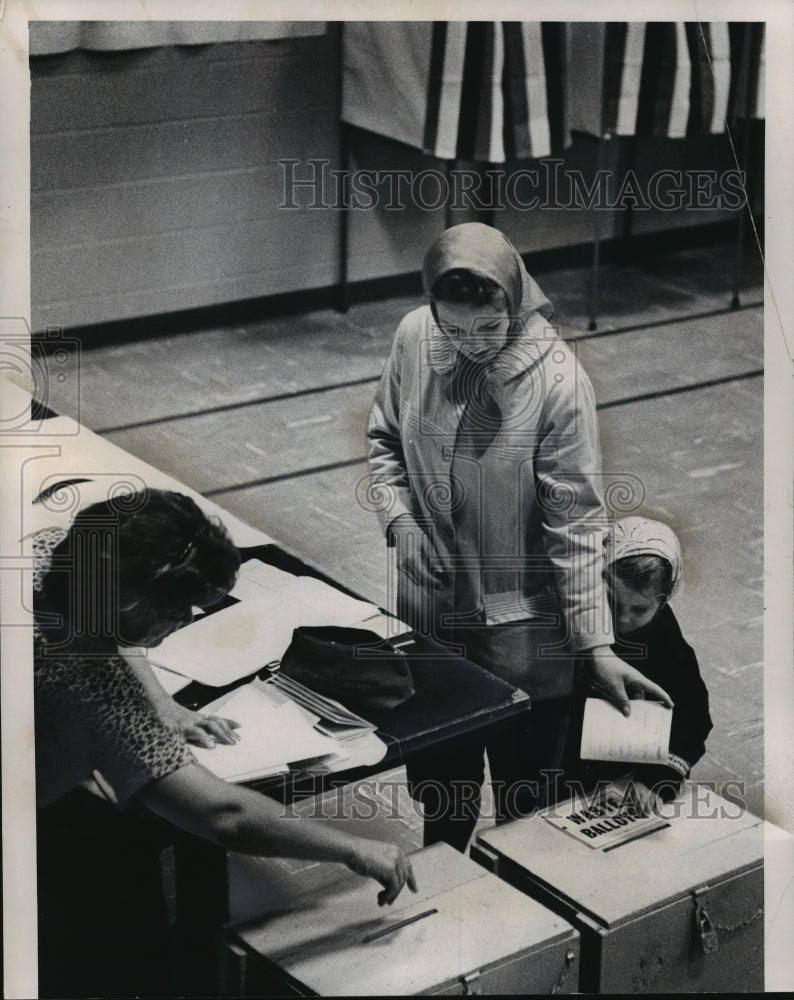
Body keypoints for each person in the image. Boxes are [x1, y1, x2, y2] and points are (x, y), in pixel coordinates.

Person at [33, 489, 416, 998]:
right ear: (130, 598)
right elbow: (224, 813)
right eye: (179, 609)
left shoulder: (51, 552)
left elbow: (112, 630)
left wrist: (161, 706)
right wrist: (353, 848)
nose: (187, 622)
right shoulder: (97, 690)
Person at [367, 222, 672, 851]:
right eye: (452, 329)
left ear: (515, 298)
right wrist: (400, 521)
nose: (469, 345)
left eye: (486, 328)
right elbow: (384, 441)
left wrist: (596, 646)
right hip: (433, 619)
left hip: (526, 636)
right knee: (440, 790)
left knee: (526, 808)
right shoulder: (412, 338)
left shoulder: (559, 383)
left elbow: (578, 527)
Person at [565, 516, 713, 812]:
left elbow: (693, 717)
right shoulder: (582, 619)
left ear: (663, 600)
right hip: (573, 760)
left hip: (637, 766)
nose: (622, 619)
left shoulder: (666, 641)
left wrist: (657, 780)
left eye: (639, 609)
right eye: (612, 601)